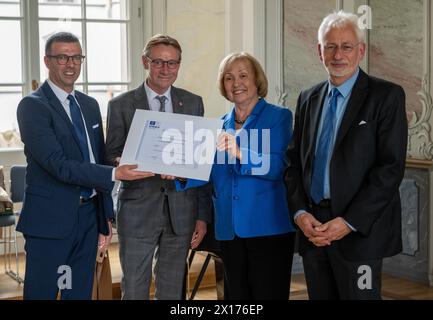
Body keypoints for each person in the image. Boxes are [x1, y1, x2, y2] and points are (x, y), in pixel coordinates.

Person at [16, 32, 151, 300]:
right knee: (43, 293)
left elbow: (97, 159)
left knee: (77, 293)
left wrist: (104, 217)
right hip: (50, 222)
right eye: (62, 57)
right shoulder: (32, 107)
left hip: (88, 219)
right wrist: (115, 173)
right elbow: (59, 165)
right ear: (47, 61)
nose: (71, 64)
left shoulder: (89, 106)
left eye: (76, 57)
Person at [285, 11, 408, 300]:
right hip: (314, 230)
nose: (338, 54)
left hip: (359, 233)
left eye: (346, 46)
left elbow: (389, 169)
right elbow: (293, 164)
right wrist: (301, 214)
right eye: (330, 46)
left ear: (361, 51)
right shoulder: (307, 98)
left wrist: (348, 222)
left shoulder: (386, 96)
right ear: (319, 51)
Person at [173, 52, 296, 300]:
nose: (236, 83)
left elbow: (280, 166)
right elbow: (208, 174)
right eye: (229, 78)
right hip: (228, 228)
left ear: (256, 80)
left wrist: (241, 152)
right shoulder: (217, 125)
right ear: (223, 86)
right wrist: (178, 174)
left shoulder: (278, 117)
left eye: (243, 75)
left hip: (268, 228)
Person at [105, 34, 212, 300]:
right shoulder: (120, 105)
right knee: (135, 286)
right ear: (145, 62)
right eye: (159, 62)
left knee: (173, 286)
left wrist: (201, 215)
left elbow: (200, 163)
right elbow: (110, 155)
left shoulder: (192, 102)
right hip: (138, 209)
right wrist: (123, 162)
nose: (166, 69)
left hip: (181, 209)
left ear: (179, 65)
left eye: (172, 63)